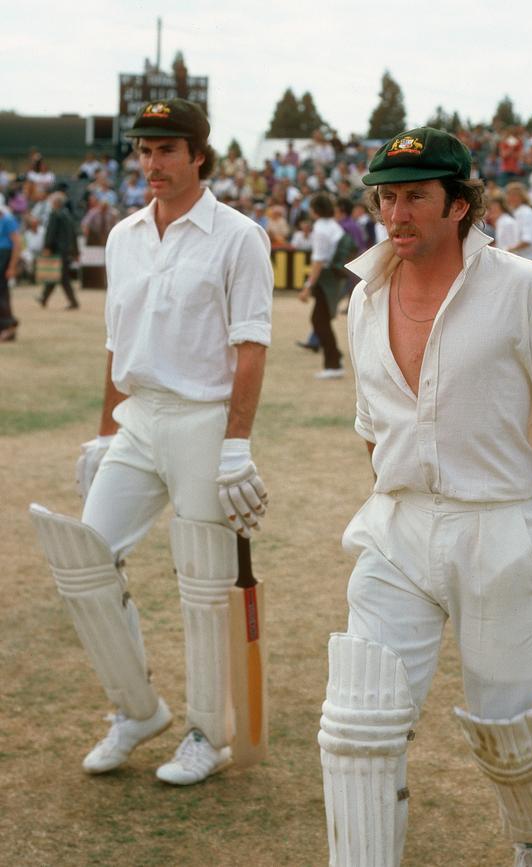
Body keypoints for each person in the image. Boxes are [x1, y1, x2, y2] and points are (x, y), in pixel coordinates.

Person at [317, 127, 532, 867]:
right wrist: (406, 484)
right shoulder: (364, 297)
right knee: (356, 725)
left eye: (416, 196)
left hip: (498, 529)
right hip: (394, 529)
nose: (397, 213)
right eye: (387, 197)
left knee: (511, 733)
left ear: (459, 203)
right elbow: (373, 423)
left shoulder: (525, 287)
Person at [30, 98, 274, 786]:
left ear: (200, 154)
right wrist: (105, 432)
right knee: (84, 562)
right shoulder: (126, 234)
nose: (152, 163)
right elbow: (118, 344)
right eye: (144, 150)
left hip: (204, 418)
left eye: (167, 150)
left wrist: (235, 444)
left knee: (202, 582)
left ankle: (207, 731)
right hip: (139, 418)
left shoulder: (238, 235)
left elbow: (250, 346)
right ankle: (137, 709)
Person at [298, 192, 347, 378]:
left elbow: (318, 261)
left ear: (315, 210)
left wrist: (307, 287)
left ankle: (333, 365)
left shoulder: (320, 228)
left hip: (325, 279)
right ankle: (335, 357)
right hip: (335, 277)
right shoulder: (333, 225)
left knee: (319, 321)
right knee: (322, 319)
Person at [36, 192, 80, 309]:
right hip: (66, 251)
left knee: (60, 276)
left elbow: (51, 232)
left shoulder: (54, 215)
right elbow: (74, 235)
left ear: (55, 203)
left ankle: (72, 302)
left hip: (57, 250)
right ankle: (44, 298)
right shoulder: (68, 216)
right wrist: (76, 252)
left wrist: (47, 247)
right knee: (58, 275)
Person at [504, 182, 532, 262]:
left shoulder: (525, 213)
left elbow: (527, 240)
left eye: (514, 195)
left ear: (521, 197)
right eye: (509, 195)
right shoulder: (519, 212)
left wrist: (507, 250)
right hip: (529, 259)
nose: (510, 198)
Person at [0, 203, 21, 341]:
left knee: (2, 293)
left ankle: (8, 325)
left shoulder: (8, 220)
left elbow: (17, 244)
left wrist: (12, 266)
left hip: (5, 256)